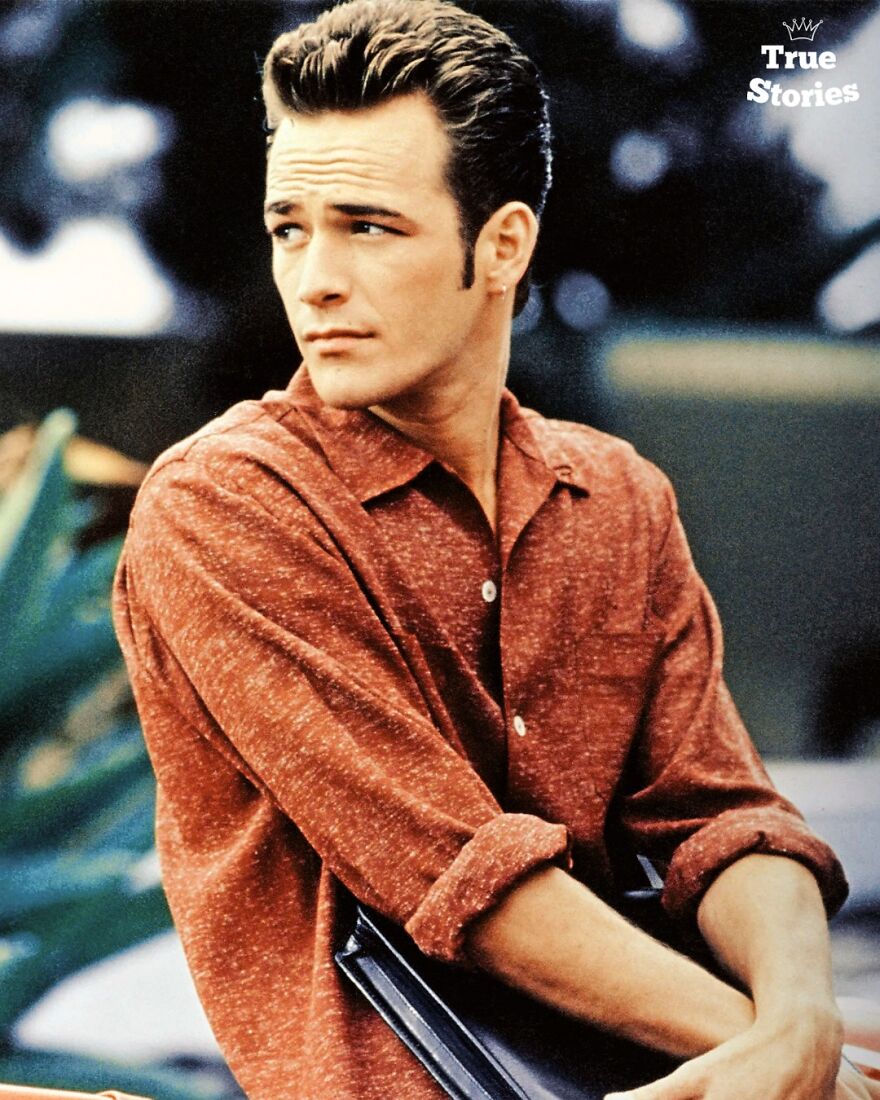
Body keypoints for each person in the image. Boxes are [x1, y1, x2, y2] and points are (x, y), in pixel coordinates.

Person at [111, 2, 875, 1098]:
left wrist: (799, 1012)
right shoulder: (227, 504)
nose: (314, 278)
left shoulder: (614, 496)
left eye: (367, 226)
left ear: (503, 242)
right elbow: (465, 876)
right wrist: (805, 1060)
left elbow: (719, 815)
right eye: (291, 227)